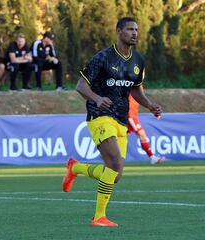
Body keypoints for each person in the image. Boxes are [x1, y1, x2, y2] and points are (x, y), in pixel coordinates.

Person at [62, 17, 162, 227]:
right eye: (129, 29)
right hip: (99, 116)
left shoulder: (138, 61)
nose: (134, 33)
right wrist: (97, 99)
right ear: (118, 31)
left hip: (121, 118)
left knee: (114, 175)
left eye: (136, 29)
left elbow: (135, 89)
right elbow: (80, 85)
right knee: (115, 163)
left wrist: (149, 105)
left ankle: (76, 168)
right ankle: (98, 217)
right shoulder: (103, 57)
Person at [128, 92, 165, 164]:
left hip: (133, 115)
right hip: (130, 116)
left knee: (121, 138)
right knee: (141, 134)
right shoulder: (130, 84)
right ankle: (152, 157)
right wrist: (129, 117)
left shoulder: (138, 84)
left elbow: (140, 98)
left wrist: (153, 109)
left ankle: (152, 157)